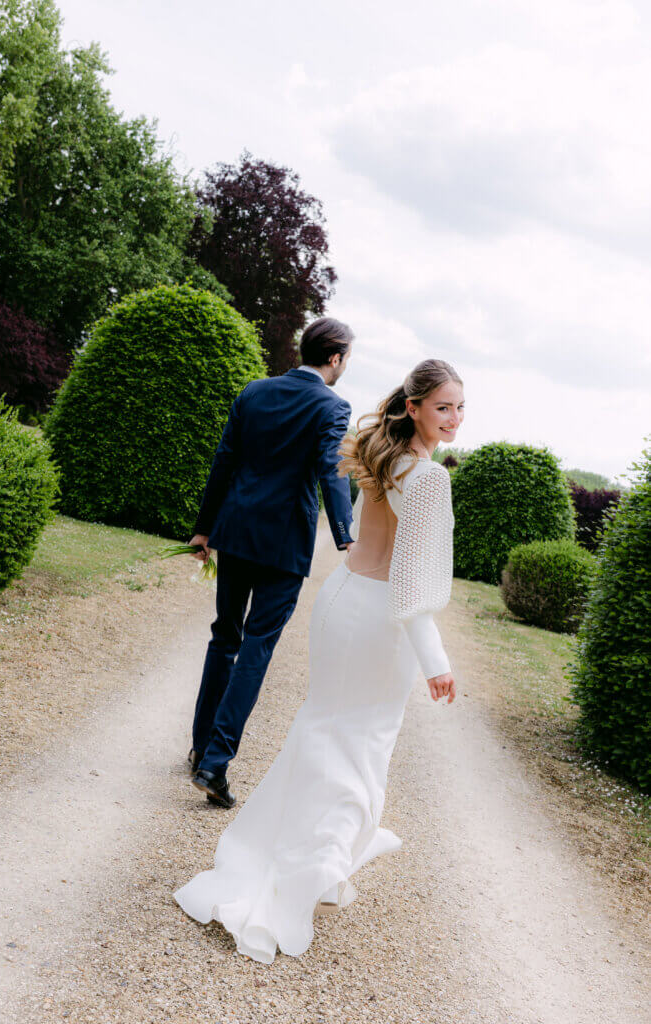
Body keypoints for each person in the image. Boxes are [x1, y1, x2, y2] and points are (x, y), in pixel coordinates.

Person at [174, 358, 464, 963]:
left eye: (461, 408)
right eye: (443, 407)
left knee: (323, 726)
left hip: (340, 601)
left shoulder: (382, 453)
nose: (454, 418)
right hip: (380, 617)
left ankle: (306, 858)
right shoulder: (427, 477)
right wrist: (435, 660)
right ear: (413, 407)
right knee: (363, 740)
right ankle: (310, 869)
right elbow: (412, 585)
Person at [187, 317, 356, 809]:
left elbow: (225, 459)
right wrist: (347, 538)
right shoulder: (333, 405)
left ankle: (201, 747)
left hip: (236, 531)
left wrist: (204, 527)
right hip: (283, 547)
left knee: (225, 636)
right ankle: (214, 761)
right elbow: (332, 468)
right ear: (337, 357)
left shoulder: (254, 392)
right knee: (257, 645)